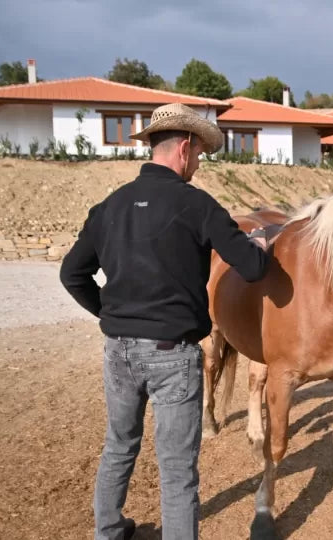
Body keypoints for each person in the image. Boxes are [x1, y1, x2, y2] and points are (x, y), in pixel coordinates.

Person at [59, 103, 270, 540]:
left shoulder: (109, 206)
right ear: (186, 148)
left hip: (118, 349)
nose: (197, 164)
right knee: (176, 470)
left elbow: (71, 273)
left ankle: (110, 532)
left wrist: (112, 314)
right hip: (171, 355)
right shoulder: (197, 205)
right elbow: (250, 268)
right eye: (198, 156)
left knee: (118, 447)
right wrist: (261, 242)